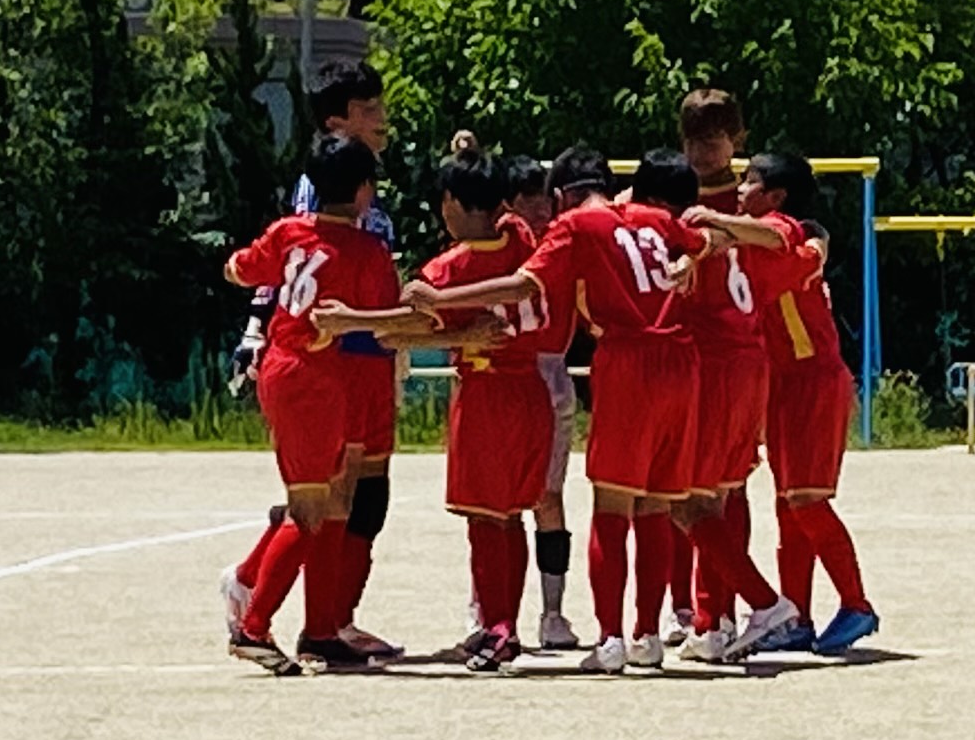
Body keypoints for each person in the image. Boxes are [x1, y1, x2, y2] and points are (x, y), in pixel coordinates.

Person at [406, 146, 789, 672]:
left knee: (612, 505)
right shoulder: (654, 219)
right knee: (657, 504)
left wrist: (441, 299)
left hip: (629, 358)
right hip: (684, 360)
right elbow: (711, 240)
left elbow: (523, 284)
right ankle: (648, 634)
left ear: (563, 196)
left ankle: (610, 638)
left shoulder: (574, 227)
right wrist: (687, 261)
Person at [326, 138, 561, 673]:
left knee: (484, 518)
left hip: (486, 395)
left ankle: (498, 628)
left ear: (452, 201)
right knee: (511, 516)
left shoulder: (447, 271)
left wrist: (356, 321)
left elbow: (398, 332)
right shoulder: (521, 239)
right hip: (532, 392)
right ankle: (504, 623)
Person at [226, 59, 404, 659]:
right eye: (368, 109)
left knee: (334, 502)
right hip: (327, 370)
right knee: (316, 506)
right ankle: (254, 615)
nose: (381, 118)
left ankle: (323, 625)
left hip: (301, 365)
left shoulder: (291, 230)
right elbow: (388, 318)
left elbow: (244, 267)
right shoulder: (358, 241)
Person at [688, 151, 877, 656]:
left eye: (749, 181)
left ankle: (856, 603)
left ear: (776, 196)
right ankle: (796, 613)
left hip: (812, 380)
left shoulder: (784, 232)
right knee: (788, 505)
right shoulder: (772, 239)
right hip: (783, 383)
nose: (740, 188)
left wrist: (711, 217)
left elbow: (775, 235)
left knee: (806, 501)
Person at [629, 147, 792, 666]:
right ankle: (713, 622)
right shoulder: (739, 224)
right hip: (750, 364)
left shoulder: (692, 225)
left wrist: (687, 254)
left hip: (715, 369)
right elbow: (770, 239)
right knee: (721, 497)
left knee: (685, 502)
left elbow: (695, 246)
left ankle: (764, 603)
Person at [673, 88, 765, 657]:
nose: (701, 151)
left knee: (699, 495)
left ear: (737, 139)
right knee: (724, 490)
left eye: (713, 139)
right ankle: (715, 616)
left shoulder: (739, 202)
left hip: (719, 358)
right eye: (693, 140)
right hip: (723, 359)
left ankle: (718, 615)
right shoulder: (744, 199)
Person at [503, 152, 579, 650]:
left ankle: (552, 612)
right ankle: (491, 610)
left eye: (544, 199)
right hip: (504, 373)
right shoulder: (497, 244)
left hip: (549, 370)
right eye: (526, 199)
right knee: (496, 503)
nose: (538, 209)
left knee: (548, 497)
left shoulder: (563, 243)